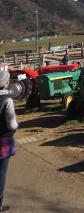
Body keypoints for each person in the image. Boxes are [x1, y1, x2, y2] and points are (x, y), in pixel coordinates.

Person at [0, 70, 18, 211]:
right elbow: (12, 124)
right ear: (6, 83)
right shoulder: (8, 100)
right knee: (1, 174)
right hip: (3, 140)